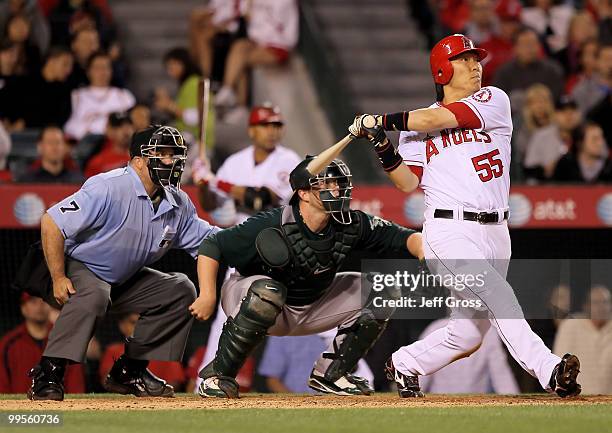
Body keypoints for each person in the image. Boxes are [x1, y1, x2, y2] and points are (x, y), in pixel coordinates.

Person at [349, 33, 581, 398]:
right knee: (498, 294)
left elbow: (439, 117)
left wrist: (382, 120)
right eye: (464, 59)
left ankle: (406, 363)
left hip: (496, 231)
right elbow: (407, 182)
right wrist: (381, 143)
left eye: (476, 59)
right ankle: (550, 370)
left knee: (469, 333)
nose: (476, 66)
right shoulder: (415, 130)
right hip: (448, 229)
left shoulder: (493, 99)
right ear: (442, 69)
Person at [190, 155, 424, 398]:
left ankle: (331, 375)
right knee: (268, 293)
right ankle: (218, 376)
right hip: (255, 300)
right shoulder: (273, 222)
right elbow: (212, 245)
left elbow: (406, 238)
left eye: (339, 183)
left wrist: (427, 254)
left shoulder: (351, 223)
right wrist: (207, 294)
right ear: (303, 193)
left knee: (384, 291)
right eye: (328, 183)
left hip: (312, 305)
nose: (337, 189)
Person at [26, 125, 219, 401]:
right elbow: (51, 222)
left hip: (123, 278)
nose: (172, 162)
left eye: (174, 155)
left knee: (181, 290)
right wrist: (58, 276)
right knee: (95, 293)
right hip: (79, 265)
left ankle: (130, 371)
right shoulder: (109, 186)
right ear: (139, 161)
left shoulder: (177, 201)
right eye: (162, 154)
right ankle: (48, 373)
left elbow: (210, 241)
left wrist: (250, 235)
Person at [194, 104, 301, 226]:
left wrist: (213, 180)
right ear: (251, 131)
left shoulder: (289, 160)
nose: (272, 132)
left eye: (276, 126)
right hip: (236, 235)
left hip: (273, 234)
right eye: (265, 125)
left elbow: (258, 199)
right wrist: (203, 184)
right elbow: (210, 206)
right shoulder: (234, 162)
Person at [214, 0, 299, 120]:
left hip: (279, 45)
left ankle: (233, 96)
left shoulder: (285, 2)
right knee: (239, 46)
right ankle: (229, 92)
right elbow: (245, 16)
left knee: (240, 59)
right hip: (258, 42)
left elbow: (288, 33)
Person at [0, 293, 84, 393]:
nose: (40, 306)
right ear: (24, 308)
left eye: (44, 301)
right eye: (33, 302)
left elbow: (75, 386)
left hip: (58, 406)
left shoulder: (66, 340)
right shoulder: (9, 344)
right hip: (20, 407)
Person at [418, 317, 519, 394]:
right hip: (438, 410)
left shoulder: (489, 334)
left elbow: (503, 379)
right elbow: (420, 379)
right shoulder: (434, 329)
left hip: (476, 411)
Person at [99, 313, 186, 392]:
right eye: (133, 322)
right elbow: (106, 382)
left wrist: (154, 391)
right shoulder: (113, 350)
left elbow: (174, 384)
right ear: (122, 326)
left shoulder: (165, 351)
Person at [553, 285, 612, 395]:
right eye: (596, 303)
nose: (601, 307)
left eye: (605, 302)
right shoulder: (570, 326)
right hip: (577, 401)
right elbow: (559, 365)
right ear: (586, 306)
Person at [64, 51, 135, 140]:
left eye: (105, 67)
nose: (102, 72)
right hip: (85, 144)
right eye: (97, 68)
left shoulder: (124, 96)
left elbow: (133, 123)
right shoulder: (76, 96)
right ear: (88, 71)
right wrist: (84, 131)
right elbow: (68, 125)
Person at [494, 27, 564, 103]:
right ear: (515, 48)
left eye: (533, 44)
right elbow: (498, 101)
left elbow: (557, 98)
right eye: (525, 44)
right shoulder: (504, 73)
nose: (530, 48)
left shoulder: (552, 70)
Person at [23, 46, 73, 128]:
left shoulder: (65, 90)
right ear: (51, 61)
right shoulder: (26, 83)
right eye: (65, 64)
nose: (69, 70)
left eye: (70, 66)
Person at [258, 335, 327, 393]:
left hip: (332, 403)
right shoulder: (282, 333)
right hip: (294, 403)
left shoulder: (336, 332)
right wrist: (298, 404)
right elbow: (272, 379)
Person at [16, 126, 84, 183]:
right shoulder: (27, 182)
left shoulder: (77, 181)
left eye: (58, 142)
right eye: (50, 142)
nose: (55, 147)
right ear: (40, 147)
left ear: (65, 147)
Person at [84, 112, 134, 178]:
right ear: (108, 130)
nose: (125, 130)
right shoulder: (97, 163)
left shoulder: (143, 156)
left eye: (128, 125)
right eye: (118, 126)